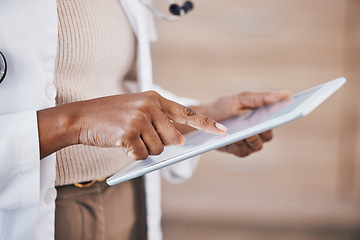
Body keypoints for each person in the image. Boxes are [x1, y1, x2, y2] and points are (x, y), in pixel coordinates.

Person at [0, 0, 291, 239]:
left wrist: (203, 119)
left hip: (125, 197)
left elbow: (117, 89)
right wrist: (73, 123)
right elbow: (88, 114)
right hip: (40, 211)